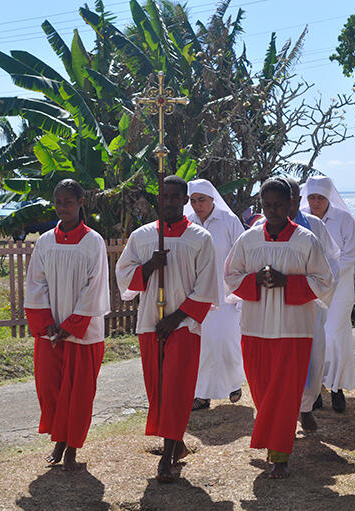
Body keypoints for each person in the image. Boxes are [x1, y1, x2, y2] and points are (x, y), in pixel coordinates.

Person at [224, 178, 334, 479]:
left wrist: (289, 282)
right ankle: (273, 440)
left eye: (278, 205)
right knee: (261, 390)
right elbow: (231, 277)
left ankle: (280, 454)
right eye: (267, 205)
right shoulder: (248, 239)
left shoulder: (305, 240)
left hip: (293, 329)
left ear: (290, 205)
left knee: (284, 393)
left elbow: (325, 282)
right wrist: (255, 280)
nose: (272, 211)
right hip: (255, 327)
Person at [115, 175, 219, 483]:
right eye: (165, 196)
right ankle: (178, 443)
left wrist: (176, 318)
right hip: (150, 323)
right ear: (157, 199)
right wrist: (148, 267)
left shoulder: (200, 238)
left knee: (176, 388)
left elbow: (207, 286)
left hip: (184, 324)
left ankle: (167, 457)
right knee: (158, 390)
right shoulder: (143, 236)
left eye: (176, 197)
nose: (170, 202)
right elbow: (124, 277)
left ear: (185, 200)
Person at [24, 179, 111, 471]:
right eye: (58, 201)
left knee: (79, 392)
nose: (63, 207)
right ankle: (58, 438)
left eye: (68, 202)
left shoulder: (93, 241)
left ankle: (70, 445)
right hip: (52, 330)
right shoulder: (46, 241)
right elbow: (36, 283)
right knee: (50, 387)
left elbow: (94, 286)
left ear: (80, 203)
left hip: (82, 332)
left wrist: (73, 325)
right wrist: (47, 323)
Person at [252, 177, 340, 431]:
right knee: (271, 361)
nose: (282, 207)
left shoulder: (313, 227)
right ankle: (270, 411)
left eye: (290, 199)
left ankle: (306, 408)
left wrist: (305, 289)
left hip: (305, 307)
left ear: (296, 201)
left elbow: (330, 264)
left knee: (308, 360)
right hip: (267, 308)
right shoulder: (258, 228)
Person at [183, 179, 246, 411]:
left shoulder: (228, 221)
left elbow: (242, 255)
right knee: (202, 346)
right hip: (197, 295)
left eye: (202, 200)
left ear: (212, 199)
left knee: (227, 343)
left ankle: (233, 383)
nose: (198, 205)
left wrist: (239, 292)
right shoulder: (187, 223)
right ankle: (202, 394)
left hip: (225, 296)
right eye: (193, 200)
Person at [300, 175, 355, 413]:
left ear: (328, 198)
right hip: (312, 287)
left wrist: (329, 275)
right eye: (312, 197)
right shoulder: (302, 217)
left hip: (339, 287)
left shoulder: (344, 219)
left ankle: (337, 387)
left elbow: (351, 253)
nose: (315, 202)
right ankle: (314, 391)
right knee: (314, 336)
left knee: (336, 335)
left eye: (320, 198)